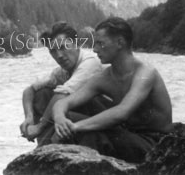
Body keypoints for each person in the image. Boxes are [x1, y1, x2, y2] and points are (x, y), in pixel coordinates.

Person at [52, 17, 173, 163]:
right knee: (69, 116)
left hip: (156, 144)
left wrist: (76, 127)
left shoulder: (146, 73)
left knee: (91, 135)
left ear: (120, 43)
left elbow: (122, 112)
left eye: (100, 43)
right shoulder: (104, 77)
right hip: (128, 133)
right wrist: (60, 119)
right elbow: (63, 102)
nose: (95, 49)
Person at [20, 22, 104, 144]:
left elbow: (62, 95)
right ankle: (44, 145)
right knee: (41, 93)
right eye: (53, 51)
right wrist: (29, 117)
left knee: (60, 104)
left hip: (105, 122)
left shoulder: (90, 62)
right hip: (86, 119)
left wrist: (39, 127)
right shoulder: (62, 71)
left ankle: (45, 146)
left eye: (63, 47)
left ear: (77, 44)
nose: (59, 55)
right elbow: (29, 90)